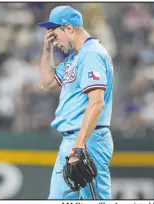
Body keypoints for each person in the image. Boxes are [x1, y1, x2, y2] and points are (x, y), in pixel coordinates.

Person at [38, 5, 114, 200]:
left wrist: (79, 146)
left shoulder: (91, 53)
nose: (53, 38)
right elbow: (47, 83)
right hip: (72, 141)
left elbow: (96, 103)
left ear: (69, 29)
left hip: (89, 139)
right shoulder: (76, 57)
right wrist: (47, 50)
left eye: (54, 33)